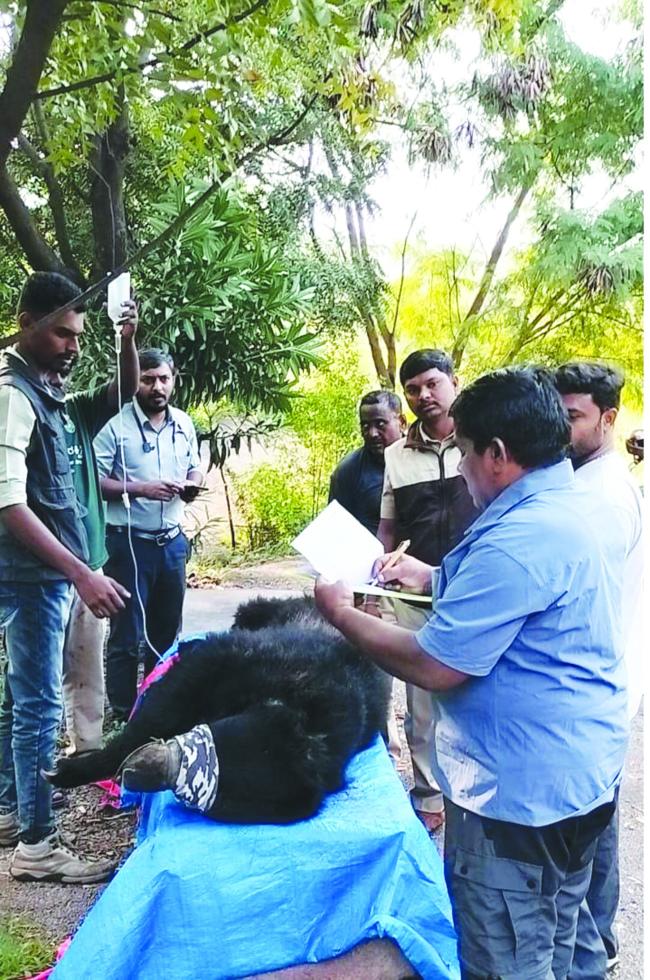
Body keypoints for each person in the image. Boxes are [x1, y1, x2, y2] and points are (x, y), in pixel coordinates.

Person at [314, 367, 629, 979]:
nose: (459, 469)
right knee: (562, 936)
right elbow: (516, 594)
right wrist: (431, 578)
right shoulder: (565, 503)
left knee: (508, 955)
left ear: (497, 455)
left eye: (463, 454)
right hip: (578, 776)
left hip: (520, 802)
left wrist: (340, 614)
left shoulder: (519, 536)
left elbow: (434, 664)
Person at [0, 271, 134, 884]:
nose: (72, 346)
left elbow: (121, 394)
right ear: (25, 322)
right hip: (31, 580)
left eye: (78, 335)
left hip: (44, 579)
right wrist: (81, 573)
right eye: (61, 334)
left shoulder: (46, 393)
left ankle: (11, 810)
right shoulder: (13, 396)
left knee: (19, 701)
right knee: (36, 707)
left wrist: (124, 335)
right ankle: (37, 844)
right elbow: (7, 505)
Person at [554, 362, 643, 977]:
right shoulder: (587, 479)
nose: (561, 426)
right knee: (592, 829)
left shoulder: (602, 494)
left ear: (609, 419)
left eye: (574, 416)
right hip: (602, 687)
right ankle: (600, 945)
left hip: (598, 684)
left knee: (580, 842)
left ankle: (592, 954)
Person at [377, 349, 477, 832]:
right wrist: (378, 567)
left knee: (476, 691)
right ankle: (430, 794)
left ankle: (475, 790)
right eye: (414, 389)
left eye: (433, 384)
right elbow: (387, 527)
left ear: (455, 383)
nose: (424, 396)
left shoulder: (482, 442)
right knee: (421, 706)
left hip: (474, 589)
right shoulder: (395, 455)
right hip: (414, 598)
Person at [94, 348, 202, 721]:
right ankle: (123, 715)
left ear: (174, 380)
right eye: (148, 379)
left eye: (163, 379)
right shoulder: (116, 426)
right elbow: (93, 481)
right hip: (127, 543)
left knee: (167, 633)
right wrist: (139, 488)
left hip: (171, 542)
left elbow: (195, 467)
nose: (157, 387)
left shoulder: (185, 424)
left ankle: (157, 709)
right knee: (126, 635)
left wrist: (191, 485)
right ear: (136, 381)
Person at [328, 390, 406, 535]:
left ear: (402, 422)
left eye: (380, 424)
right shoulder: (349, 471)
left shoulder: (423, 459)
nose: (372, 433)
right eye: (365, 426)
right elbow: (336, 530)